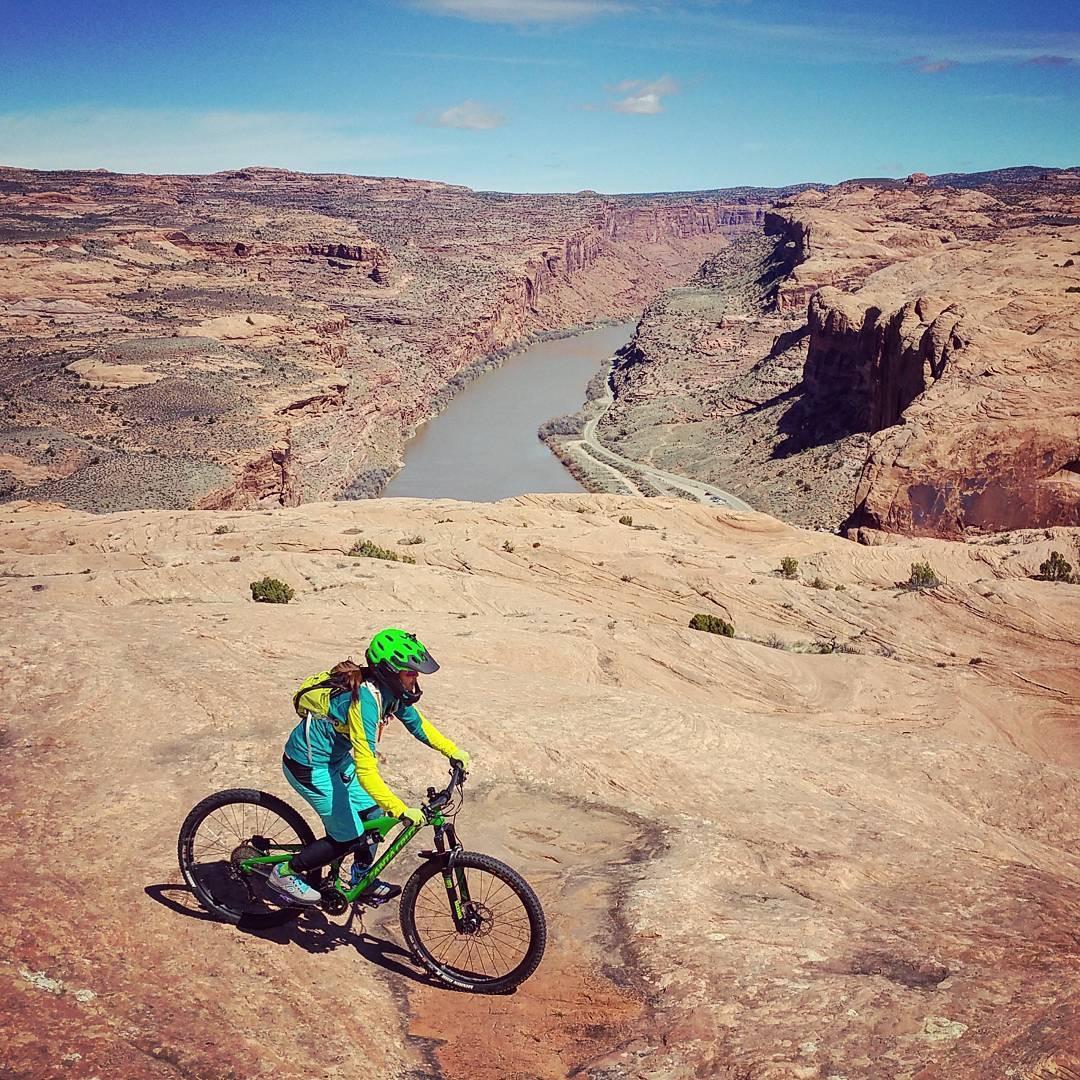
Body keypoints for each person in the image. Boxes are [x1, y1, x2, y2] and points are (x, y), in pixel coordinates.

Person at [266, 628, 471, 906]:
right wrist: (398, 808)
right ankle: (284, 873)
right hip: (309, 767)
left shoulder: (391, 692)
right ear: (389, 670)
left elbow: (419, 726)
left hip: (335, 761)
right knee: (348, 835)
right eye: (410, 672)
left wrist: (453, 752)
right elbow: (366, 770)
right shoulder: (365, 702)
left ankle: (361, 879)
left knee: (371, 814)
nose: (416, 678)